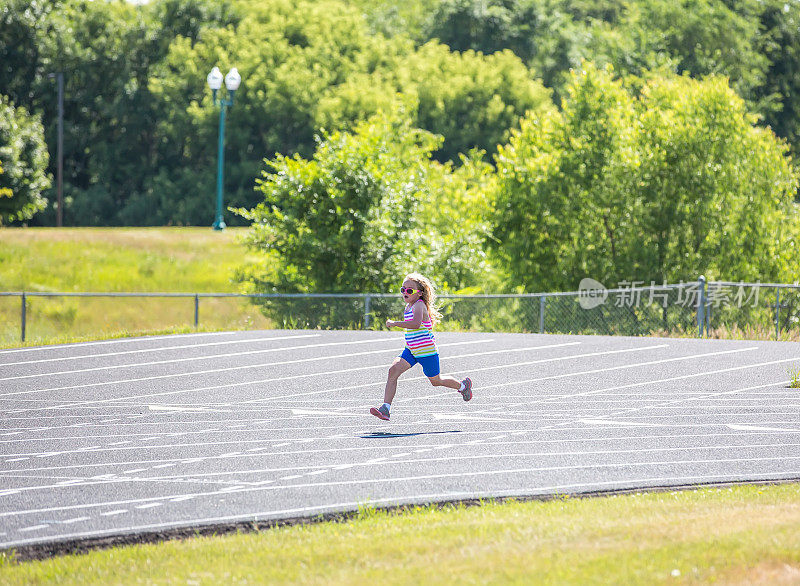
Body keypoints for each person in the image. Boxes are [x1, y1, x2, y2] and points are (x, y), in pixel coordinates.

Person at [370, 272, 472, 421]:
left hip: (427, 352)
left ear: (419, 293)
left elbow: (416, 324)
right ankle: (386, 408)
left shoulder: (419, 305)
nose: (405, 292)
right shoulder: (409, 305)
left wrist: (395, 323)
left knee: (436, 381)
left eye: (409, 290)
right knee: (393, 371)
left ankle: (463, 386)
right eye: (403, 289)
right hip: (411, 350)